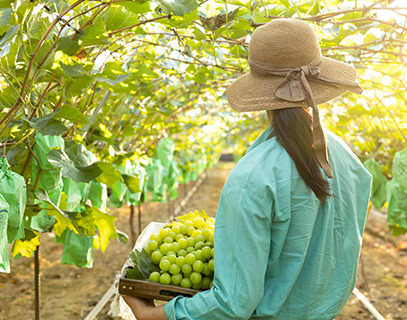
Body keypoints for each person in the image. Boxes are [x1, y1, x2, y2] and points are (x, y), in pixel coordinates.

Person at [122, 18, 372, 320]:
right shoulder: (348, 161)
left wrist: (153, 315)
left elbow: (233, 303)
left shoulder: (251, 178)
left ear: (262, 94)